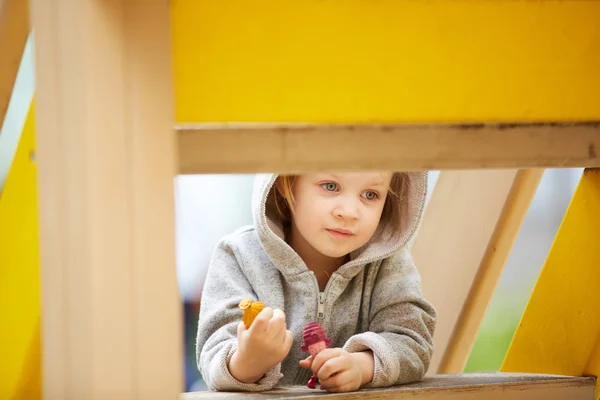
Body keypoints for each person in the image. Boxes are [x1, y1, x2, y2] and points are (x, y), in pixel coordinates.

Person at [196, 172, 437, 393]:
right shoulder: (239, 255)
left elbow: (413, 343)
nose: (349, 211)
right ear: (285, 181)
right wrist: (247, 361)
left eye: (370, 195)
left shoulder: (387, 262)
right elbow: (213, 356)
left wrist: (362, 365)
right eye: (330, 186)